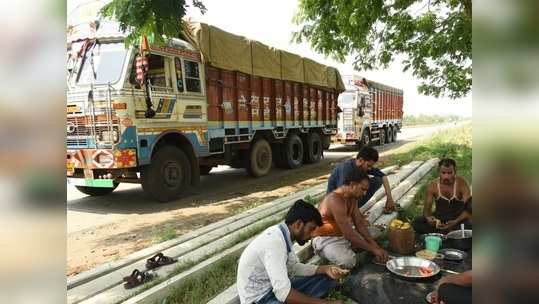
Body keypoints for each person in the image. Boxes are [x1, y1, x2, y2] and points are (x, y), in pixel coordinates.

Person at [237, 200, 348, 304]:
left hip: (273, 289)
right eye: (311, 229)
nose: (312, 235)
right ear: (298, 224)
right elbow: (283, 293)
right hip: (260, 299)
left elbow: (293, 268)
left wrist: (324, 269)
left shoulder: (283, 235)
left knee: (326, 277)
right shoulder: (274, 243)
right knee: (295, 295)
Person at [312, 168, 389, 269]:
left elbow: (359, 223)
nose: (365, 193)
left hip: (343, 235)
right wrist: (373, 249)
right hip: (326, 239)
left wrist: (375, 246)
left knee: (376, 232)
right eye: (363, 189)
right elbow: (348, 233)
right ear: (352, 184)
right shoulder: (334, 199)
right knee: (349, 261)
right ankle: (355, 251)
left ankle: (355, 247)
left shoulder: (353, 198)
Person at [327, 146, 396, 212]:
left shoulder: (362, 165)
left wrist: (389, 199)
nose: (369, 169)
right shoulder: (346, 170)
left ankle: (354, 211)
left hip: (350, 199)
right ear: (360, 160)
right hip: (336, 203)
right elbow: (343, 195)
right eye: (368, 165)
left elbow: (383, 177)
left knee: (378, 180)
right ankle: (350, 213)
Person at [413, 158, 472, 235]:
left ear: (455, 172)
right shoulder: (432, 186)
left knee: (471, 224)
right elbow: (426, 211)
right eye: (443, 173)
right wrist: (429, 219)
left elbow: (468, 209)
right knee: (417, 223)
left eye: (450, 173)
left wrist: (455, 221)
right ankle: (446, 233)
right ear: (439, 172)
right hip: (440, 218)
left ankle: (447, 233)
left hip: (458, 219)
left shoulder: (462, 183)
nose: (446, 176)